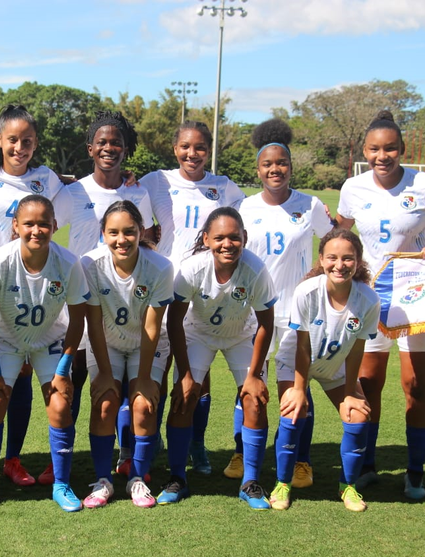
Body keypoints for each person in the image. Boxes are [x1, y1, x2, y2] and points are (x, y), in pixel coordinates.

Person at [335, 110, 425, 500]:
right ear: (365, 151)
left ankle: (415, 474)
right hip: (371, 301)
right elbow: (340, 233)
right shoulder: (353, 188)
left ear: (402, 149)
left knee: (415, 386)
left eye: (390, 148)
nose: (382, 155)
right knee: (368, 384)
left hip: (416, 301)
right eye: (375, 148)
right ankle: (368, 467)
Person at [229, 119, 334, 486]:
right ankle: (243, 453)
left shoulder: (311, 205)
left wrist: (318, 276)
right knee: (248, 383)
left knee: (294, 387)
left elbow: (335, 241)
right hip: (252, 313)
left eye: (282, 163)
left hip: (295, 314)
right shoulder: (244, 207)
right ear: (258, 169)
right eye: (267, 164)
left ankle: (301, 460)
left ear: (291, 166)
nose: (275, 169)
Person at [0, 194, 89, 513]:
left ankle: (62, 484)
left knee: (61, 405)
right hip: (6, 338)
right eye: (29, 224)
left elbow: (78, 318)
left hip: (50, 338)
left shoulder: (68, 263)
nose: (36, 230)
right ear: (15, 226)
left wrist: (64, 368)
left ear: (54, 226)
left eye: (43, 224)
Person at [140, 121, 246, 476]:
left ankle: (196, 446)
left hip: (206, 291)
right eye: (186, 146)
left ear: (208, 150)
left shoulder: (224, 187)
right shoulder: (156, 180)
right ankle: (152, 438)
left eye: (200, 147)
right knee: (158, 366)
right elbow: (127, 205)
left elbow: (244, 228)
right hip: (163, 286)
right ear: (175, 148)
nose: (192, 154)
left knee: (196, 374)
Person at [161, 207, 276, 508]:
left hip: (241, 334)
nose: (228, 244)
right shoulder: (192, 269)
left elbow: (266, 323)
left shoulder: (256, 270)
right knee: (184, 397)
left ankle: (250, 482)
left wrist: (254, 375)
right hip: (198, 333)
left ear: (244, 239)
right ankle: (177, 478)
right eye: (220, 237)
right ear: (206, 239)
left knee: (254, 398)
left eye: (234, 238)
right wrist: (185, 373)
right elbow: (175, 321)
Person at [269, 228, 379, 512]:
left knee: (356, 416)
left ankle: (348, 487)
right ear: (321, 259)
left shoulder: (368, 299)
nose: (339, 265)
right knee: (294, 413)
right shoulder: (307, 291)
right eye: (332, 257)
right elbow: (302, 347)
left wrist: (352, 391)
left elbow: (356, 350)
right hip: (296, 362)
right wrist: (298, 389)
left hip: (336, 366)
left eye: (347, 258)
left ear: (358, 261)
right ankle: (283, 484)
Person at [65, 111, 153, 463]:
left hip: (120, 301)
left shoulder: (138, 192)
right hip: (76, 299)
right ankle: (65, 454)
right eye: (102, 142)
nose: (109, 148)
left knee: (118, 382)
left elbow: (145, 240)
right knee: (73, 383)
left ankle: (125, 454)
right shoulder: (72, 190)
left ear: (126, 150)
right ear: (90, 148)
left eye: (116, 142)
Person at [81, 201, 173, 509]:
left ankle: (137, 478)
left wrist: (144, 379)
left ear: (141, 231)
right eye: (113, 233)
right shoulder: (90, 264)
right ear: (103, 234)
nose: (122, 240)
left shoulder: (159, 267)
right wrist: (106, 373)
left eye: (130, 232)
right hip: (105, 344)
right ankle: (103, 480)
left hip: (145, 345)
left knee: (143, 407)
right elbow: (93, 323)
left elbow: (152, 326)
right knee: (105, 403)